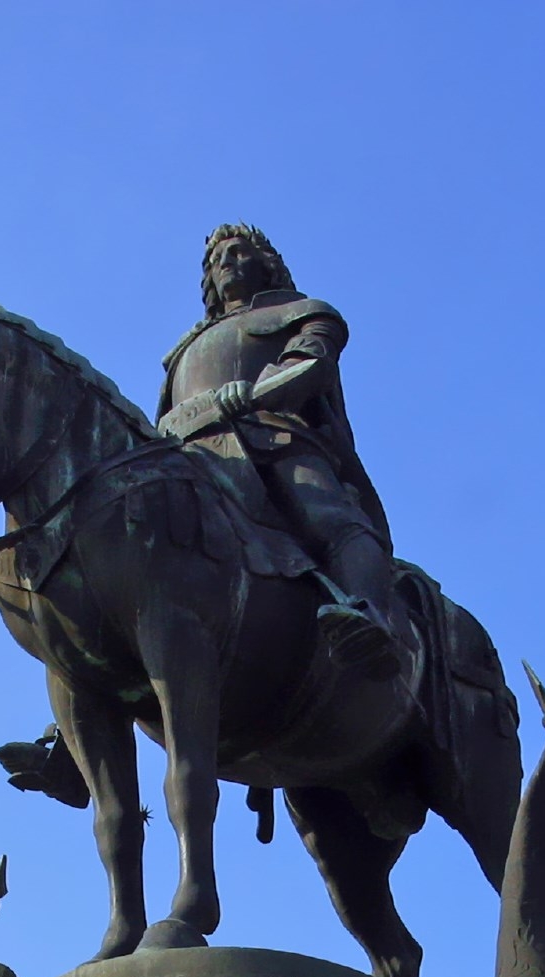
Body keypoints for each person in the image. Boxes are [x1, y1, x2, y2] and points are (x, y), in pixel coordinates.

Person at [157, 224, 408, 688]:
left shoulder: (303, 313)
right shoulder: (181, 353)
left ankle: (370, 616)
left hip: (275, 439)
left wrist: (255, 393)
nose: (225, 264)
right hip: (190, 457)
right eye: (215, 261)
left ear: (267, 264)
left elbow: (310, 363)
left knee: (330, 519)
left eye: (237, 253)